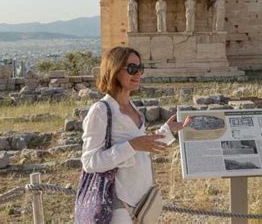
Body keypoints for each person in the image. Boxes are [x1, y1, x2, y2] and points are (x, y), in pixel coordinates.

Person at [80, 46, 191, 223]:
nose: (138, 73)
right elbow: (90, 162)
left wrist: (168, 131)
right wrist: (132, 145)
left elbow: (141, 146)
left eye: (140, 68)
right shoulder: (100, 111)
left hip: (143, 202)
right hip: (119, 206)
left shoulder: (133, 108)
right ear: (114, 70)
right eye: (132, 68)